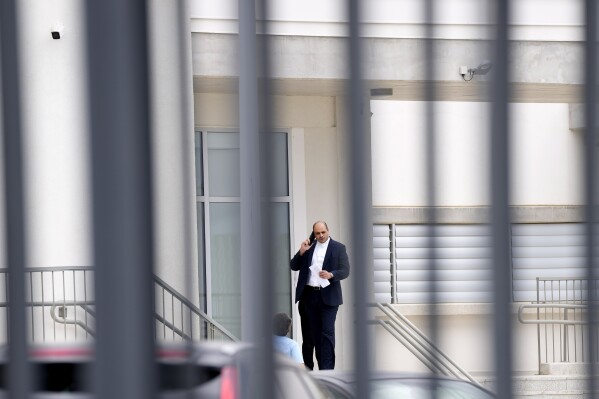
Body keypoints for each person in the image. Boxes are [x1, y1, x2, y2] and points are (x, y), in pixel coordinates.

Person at [290, 221, 350, 370]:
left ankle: (327, 373)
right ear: (314, 234)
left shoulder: (339, 248)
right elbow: (293, 265)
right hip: (308, 296)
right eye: (317, 233)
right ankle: (308, 373)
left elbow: (345, 270)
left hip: (328, 298)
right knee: (309, 337)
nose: (321, 235)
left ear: (328, 230)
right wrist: (301, 251)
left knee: (326, 334)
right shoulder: (309, 247)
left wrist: (331, 274)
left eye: (323, 232)